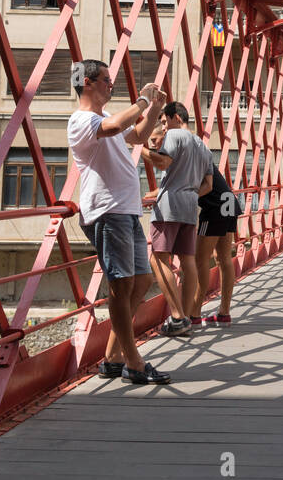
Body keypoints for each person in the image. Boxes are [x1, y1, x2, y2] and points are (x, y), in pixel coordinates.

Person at [67, 60, 170, 385]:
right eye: (106, 81)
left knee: (141, 281)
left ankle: (112, 356)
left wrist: (154, 107)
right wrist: (141, 100)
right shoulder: (81, 121)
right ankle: (133, 363)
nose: (111, 85)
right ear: (87, 82)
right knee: (121, 283)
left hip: (125, 210)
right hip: (107, 211)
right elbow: (113, 128)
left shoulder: (101, 119)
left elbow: (138, 134)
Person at [141, 103, 212, 329]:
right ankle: (189, 314)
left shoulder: (174, 134)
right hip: (190, 207)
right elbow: (208, 185)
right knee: (187, 261)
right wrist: (188, 193)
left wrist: (137, 148)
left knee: (158, 258)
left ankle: (178, 316)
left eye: (164, 121)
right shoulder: (203, 146)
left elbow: (163, 162)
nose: (163, 127)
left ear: (176, 118)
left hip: (169, 207)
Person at [195, 159, 242, 326]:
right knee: (223, 259)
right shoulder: (200, 153)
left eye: (156, 141)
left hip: (215, 208)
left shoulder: (184, 156)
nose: (156, 146)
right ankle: (224, 312)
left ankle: (193, 313)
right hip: (229, 202)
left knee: (199, 261)